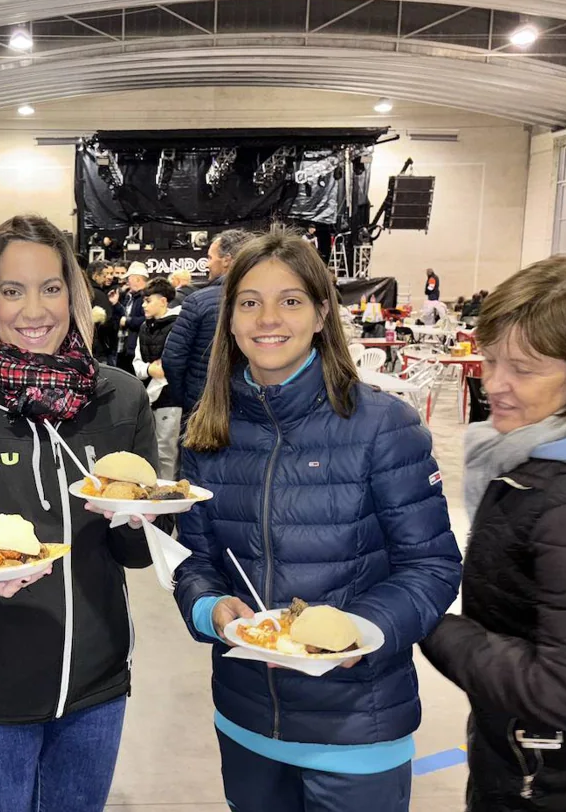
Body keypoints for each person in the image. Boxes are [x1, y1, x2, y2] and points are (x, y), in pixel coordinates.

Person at [174, 226, 461, 812]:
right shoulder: (208, 432)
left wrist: (364, 630)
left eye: (290, 300)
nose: (267, 319)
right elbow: (197, 562)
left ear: (322, 313)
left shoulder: (383, 425)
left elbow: (431, 565)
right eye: (249, 302)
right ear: (229, 319)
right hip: (247, 720)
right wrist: (208, 608)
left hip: (357, 727)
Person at [0, 214, 155, 812]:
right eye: (11, 291)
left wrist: (144, 522)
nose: (33, 309)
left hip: (95, 686)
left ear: (74, 292)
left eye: (51, 287)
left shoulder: (120, 398)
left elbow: (137, 556)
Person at [420, 258, 566, 812]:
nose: (495, 384)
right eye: (490, 359)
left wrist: (428, 625)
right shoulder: (554, 460)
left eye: (524, 368)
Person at [162, 228, 251, 413]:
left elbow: (172, 359)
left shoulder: (197, 302)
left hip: (203, 406)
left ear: (227, 260)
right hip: (254, 405)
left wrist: (187, 398)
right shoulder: (272, 301)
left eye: (210, 258)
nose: (206, 264)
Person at [133, 278, 182, 479]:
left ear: (163, 301)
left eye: (148, 300)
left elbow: (173, 365)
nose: (144, 305)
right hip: (147, 398)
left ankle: (167, 498)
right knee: (149, 449)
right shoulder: (144, 328)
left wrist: (158, 371)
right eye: (143, 301)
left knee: (166, 451)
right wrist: (148, 369)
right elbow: (137, 364)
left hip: (170, 398)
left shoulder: (178, 326)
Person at [114, 261, 149, 371]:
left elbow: (146, 320)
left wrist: (128, 321)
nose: (127, 282)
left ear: (137, 279)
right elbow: (125, 315)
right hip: (125, 346)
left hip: (136, 350)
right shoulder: (130, 296)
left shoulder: (146, 297)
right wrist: (116, 304)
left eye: (129, 278)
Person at [86, 260, 117, 363]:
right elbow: (107, 323)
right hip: (98, 349)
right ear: (95, 275)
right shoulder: (98, 294)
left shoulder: (82, 291)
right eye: (104, 275)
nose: (106, 278)